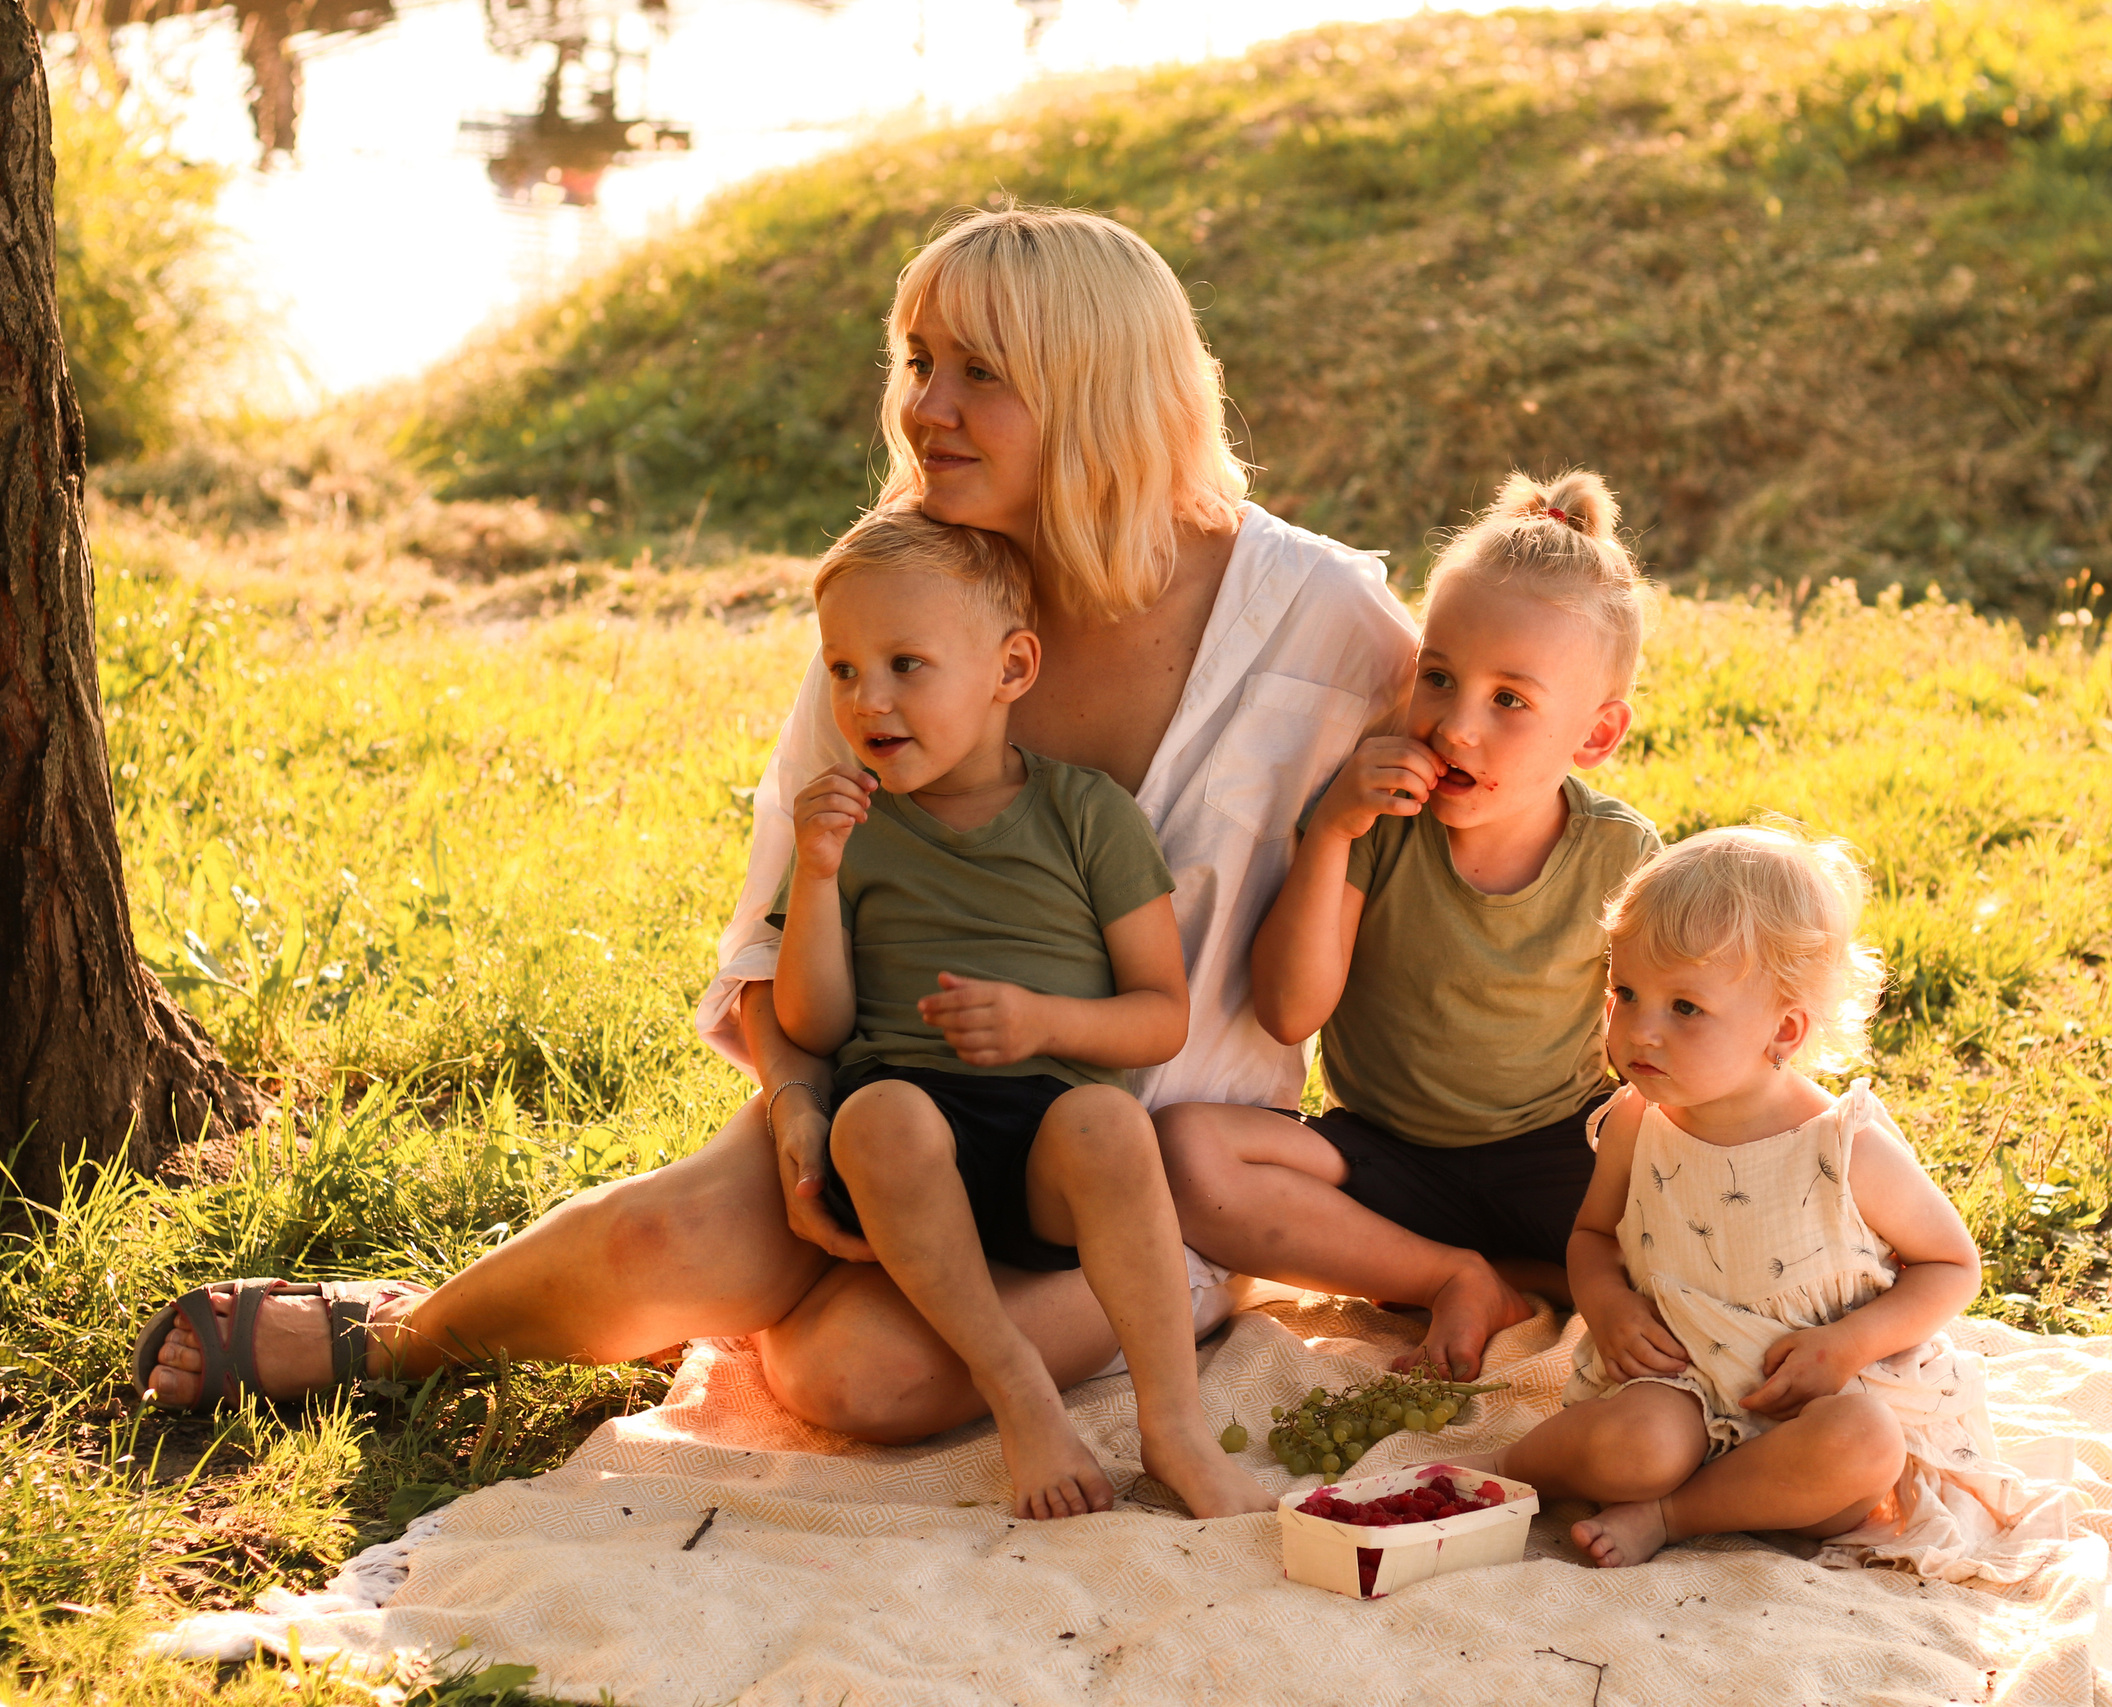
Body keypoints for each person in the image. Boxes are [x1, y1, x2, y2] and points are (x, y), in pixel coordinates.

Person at [133, 207, 1416, 1445]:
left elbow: (1481, 875)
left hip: (1124, 1176)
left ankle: (760, 1300)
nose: (925, 409)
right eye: (918, 363)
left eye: (981, 372)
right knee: (660, 1242)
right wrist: (799, 1106)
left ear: (1099, 390)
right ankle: (402, 1337)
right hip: (890, 1114)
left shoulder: (1325, 628)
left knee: (853, 1375)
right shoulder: (907, 602)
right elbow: (774, 921)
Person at [769, 504, 1268, 1519]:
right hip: (903, 1146)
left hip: (1046, 1140)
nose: (869, 698)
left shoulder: (1086, 815)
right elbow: (815, 1027)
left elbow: (1158, 1017)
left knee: (1111, 1123)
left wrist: (1045, 1024)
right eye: (845, 669)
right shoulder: (853, 830)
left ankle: (1174, 1433)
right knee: (877, 1113)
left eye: (907, 664)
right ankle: (1021, 1396)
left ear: (1011, 669)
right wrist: (817, 876)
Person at [1156, 471, 1660, 1382]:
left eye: (1510, 700)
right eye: (1439, 678)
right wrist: (1331, 832)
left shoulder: (1619, 854)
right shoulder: (1377, 820)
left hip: (1557, 1155)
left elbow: (1658, 1040)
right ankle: (1452, 1275)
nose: (1456, 726)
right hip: (1385, 1160)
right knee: (1187, 1151)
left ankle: (1523, 1275)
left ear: (1595, 734)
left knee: (1691, 1234)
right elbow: (1289, 1010)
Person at [1465, 824, 2051, 1581]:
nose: (1639, 1027)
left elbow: (1951, 1264)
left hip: (1810, 1404)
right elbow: (1592, 1236)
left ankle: (1675, 1514)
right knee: (1635, 1447)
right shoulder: (1637, 1122)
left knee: (1866, 1444)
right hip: (1679, 1384)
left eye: (1686, 1007)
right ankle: (1505, 1468)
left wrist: (1846, 1346)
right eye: (1626, 992)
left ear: (1784, 1029)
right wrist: (1607, 1303)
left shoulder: (1843, 1148)